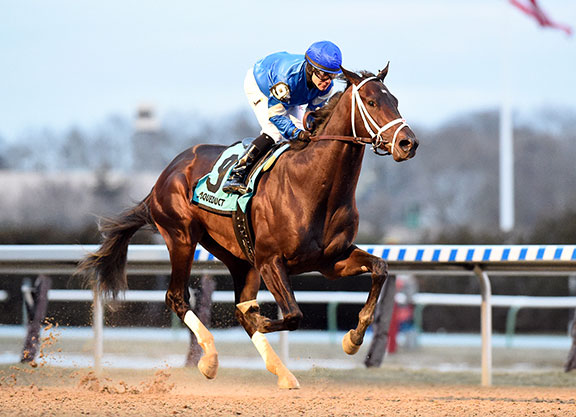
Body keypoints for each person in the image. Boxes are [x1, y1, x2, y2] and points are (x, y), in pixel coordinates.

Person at [222, 40, 343, 195]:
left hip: (292, 94)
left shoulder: (326, 88)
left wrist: (309, 129)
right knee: (275, 133)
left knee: (303, 133)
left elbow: (312, 115)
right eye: (324, 75)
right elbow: (276, 116)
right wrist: (296, 133)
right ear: (311, 68)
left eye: (332, 75)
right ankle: (236, 175)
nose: (327, 81)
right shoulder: (286, 79)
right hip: (262, 85)